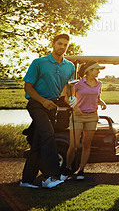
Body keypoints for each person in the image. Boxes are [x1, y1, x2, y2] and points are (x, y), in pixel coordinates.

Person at [20, 34, 75, 189]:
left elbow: (68, 90)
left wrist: (72, 100)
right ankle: (50, 177)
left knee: (38, 143)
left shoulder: (70, 66)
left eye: (65, 45)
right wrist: (43, 101)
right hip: (37, 104)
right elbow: (28, 87)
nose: (62, 47)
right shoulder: (39, 63)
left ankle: (26, 180)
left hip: (52, 106)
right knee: (49, 135)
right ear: (53, 44)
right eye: (60, 44)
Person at [61, 60, 107, 181]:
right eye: (96, 69)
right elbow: (67, 96)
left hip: (92, 116)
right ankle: (68, 167)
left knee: (87, 144)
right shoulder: (78, 83)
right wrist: (74, 107)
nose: (98, 71)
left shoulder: (99, 84)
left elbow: (97, 97)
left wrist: (101, 102)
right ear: (89, 71)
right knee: (74, 144)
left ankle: (81, 170)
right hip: (78, 116)